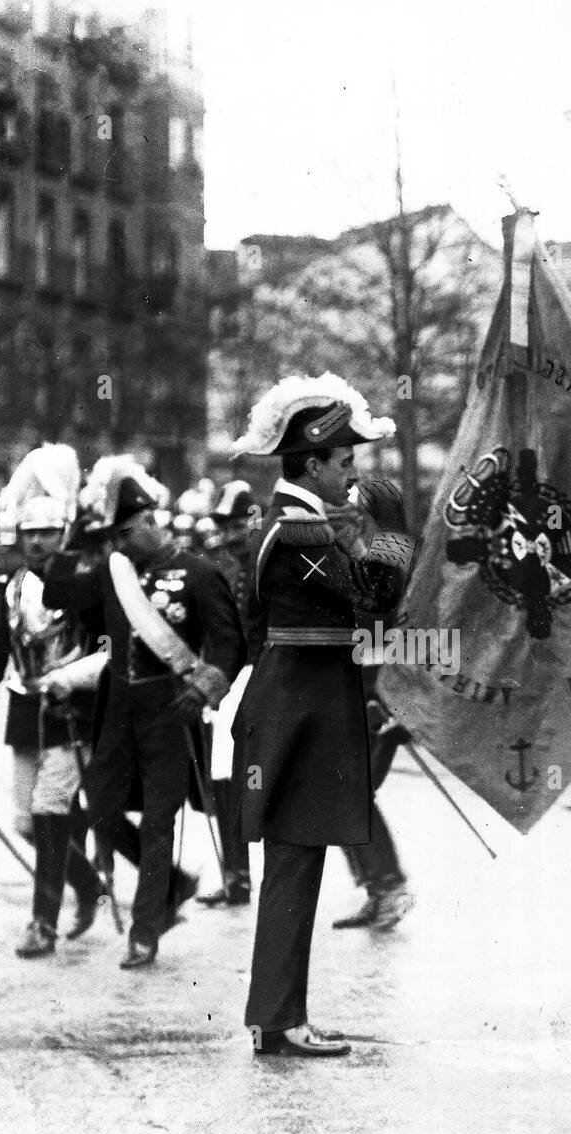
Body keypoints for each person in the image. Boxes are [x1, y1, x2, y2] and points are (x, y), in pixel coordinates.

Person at [232, 373, 413, 1057]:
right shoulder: (301, 532)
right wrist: (392, 533)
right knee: (294, 862)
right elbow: (372, 597)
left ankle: (278, 1014)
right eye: (345, 461)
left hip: (305, 704)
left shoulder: (302, 526)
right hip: (303, 710)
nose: (354, 474)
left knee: (297, 862)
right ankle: (277, 1017)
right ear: (309, 463)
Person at [42, 458, 246, 968]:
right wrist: (73, 534)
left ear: (152, 520)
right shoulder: (117, 574)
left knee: (159, 821)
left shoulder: (200, 574)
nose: (124, 543)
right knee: (102, 810)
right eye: (117, 535)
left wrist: (202, 689)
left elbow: (229, 644)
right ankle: (170, 889)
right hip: (117, 711)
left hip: (169, 711)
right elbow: (56, 592)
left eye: (130, 532)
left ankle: (145, 929)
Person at [0, 446, 106, 957]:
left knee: (50, 811)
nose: (37, 543)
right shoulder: (13, 586)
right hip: (27, 709)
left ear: (64, 532)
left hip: (74, 708)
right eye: (29, 534)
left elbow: (104, 651)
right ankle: (88, 881)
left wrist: (73, 678)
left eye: (47, 533)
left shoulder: (85, 582)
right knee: (26, 822)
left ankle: (41, 924)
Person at [196, 480, 260, 909]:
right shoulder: (219, 565)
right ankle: (235, 875)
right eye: (224, 525)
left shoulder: (262, 559)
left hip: (265, 673)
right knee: (221, 774)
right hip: (231, 677)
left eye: (236, 524)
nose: (230, 533)